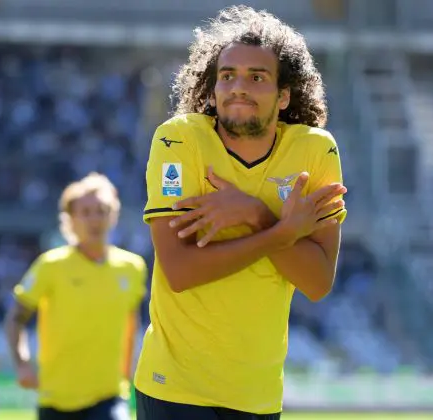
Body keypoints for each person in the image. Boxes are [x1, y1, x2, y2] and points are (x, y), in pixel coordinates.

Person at [134, 6, 347, 420]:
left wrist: (254, 214)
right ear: (211, 90)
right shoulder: (179, 140)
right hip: (173, 388)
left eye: (257, 77)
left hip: (257, 394)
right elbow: (179, 271)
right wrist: (279, 233)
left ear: (284, 96)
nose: (237, 87)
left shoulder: (316, 150)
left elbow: (318, 282)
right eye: (226, 76)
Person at [5, 172, 147, 420]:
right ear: (70, 220)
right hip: (56, 400)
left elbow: (130, 320)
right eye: (86, 212)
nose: (95, 219)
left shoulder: (132, 267)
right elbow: (15, 318)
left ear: (114, 216)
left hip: (109, 396)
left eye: (102, 210)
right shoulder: (50, 265)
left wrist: (128, 370)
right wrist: (23, 363)